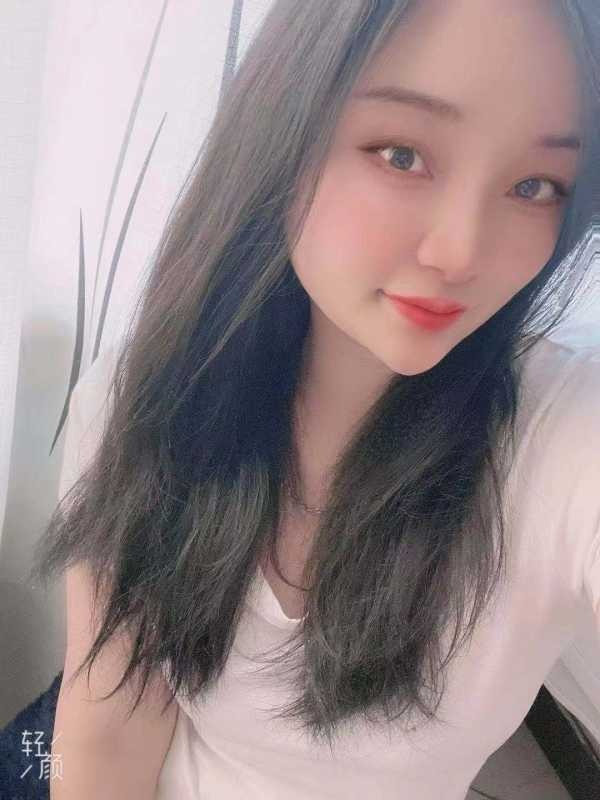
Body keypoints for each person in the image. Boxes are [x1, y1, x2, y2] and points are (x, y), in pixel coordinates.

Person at [28, 0, 600, 798]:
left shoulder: (561, 436)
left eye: (534, 186)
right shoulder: (140, 401)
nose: (461, 251)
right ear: (282, 135)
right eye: (402, 155)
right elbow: (107, 728)